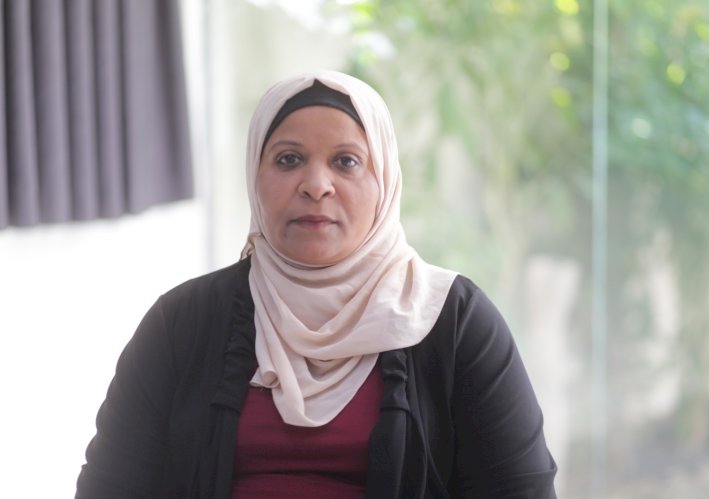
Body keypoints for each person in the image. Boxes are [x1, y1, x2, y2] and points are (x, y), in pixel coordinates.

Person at [76, 70, 557, 498]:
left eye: (346, 162)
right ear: (255, 177)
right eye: (288, 160)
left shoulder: (453, 320)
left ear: (385, 180)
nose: (316, 185)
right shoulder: (183, 321)